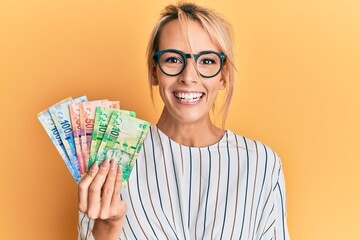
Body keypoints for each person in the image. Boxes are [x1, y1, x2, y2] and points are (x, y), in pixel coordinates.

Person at [78, 2, 290, 239]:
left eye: (207, 61)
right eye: (173, 59)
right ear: (153, 70)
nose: (189, 77)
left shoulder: (261, 164)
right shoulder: (110, 157)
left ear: (223, 75)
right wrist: (107, 227)